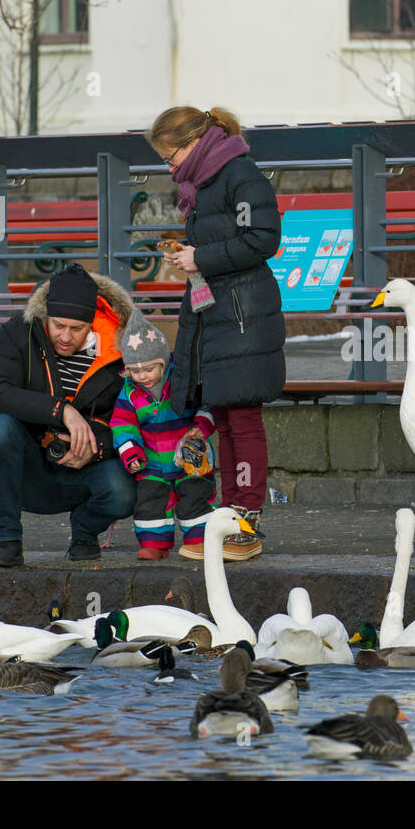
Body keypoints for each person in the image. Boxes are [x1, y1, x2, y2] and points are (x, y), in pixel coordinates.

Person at [148, 106, 285, 558]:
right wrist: (191, 254)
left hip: (243, 316)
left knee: (242, 419)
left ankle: (245, 522)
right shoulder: (204, 182)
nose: (169, 167)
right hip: (221, 315)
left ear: (193, 144)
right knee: (224, 418)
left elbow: (263, 239)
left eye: (170, 157)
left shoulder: (239, 174)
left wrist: (200, 258)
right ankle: (229, 517)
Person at [0, 263, 137, 566]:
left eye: (77, 329)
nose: (66, 337)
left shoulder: (120, 348)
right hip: (31, 468)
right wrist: (61, 411)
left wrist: (95, 448)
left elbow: (133, 413)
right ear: (46, 317)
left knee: (124, 491)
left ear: (92, 322)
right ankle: (7, 541)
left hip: (89, 469)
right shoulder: (18, 332)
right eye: (58, 326)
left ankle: (84, 531)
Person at [110, 309, 220, 560]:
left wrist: (201, 427)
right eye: (135, 372)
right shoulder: (129, 394)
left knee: (196, 497)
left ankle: (199, 540)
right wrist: (131, 451)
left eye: (149, 369)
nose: (142, 377)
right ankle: (155, 543)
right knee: (150, 503)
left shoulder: (182, 381)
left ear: (162, 363)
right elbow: (122, 424)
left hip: (189, 458)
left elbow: (208, 405)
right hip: (152, 461)